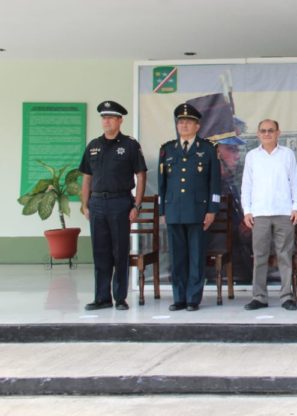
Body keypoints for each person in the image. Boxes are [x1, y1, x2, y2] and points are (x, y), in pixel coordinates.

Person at [79, 100, 147, 311]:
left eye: (110, 117)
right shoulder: (93, 145)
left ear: (120, 120)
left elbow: (141, 174)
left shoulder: (129, 145)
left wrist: (137, 204)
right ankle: (101, 297)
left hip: (120, 202)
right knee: (100, 252)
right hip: (97, 202)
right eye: (103, 117)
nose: (106, 121)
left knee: (120, 252)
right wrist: (85, 204)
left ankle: (119, 298)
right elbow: (87, 178)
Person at [158, 103, 221, 312]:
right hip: (174, 210)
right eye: (181, 122)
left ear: (197, 126)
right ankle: (179, 297)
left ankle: (193, 298)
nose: (184, 125)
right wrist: (162, 211)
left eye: (188, 122)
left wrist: (212, 209)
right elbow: (162, 184)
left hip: (198, 211)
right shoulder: (167, 149)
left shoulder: (207, 149)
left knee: (195, 257)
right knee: (177, 258)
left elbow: (214, 183)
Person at [241, 119, 297, 311]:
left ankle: (286, 297)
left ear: (278, 133)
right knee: (259, 256)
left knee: (285, 255)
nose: (267, 134)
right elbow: (247, 185)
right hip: (259, 214)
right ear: (258, 134)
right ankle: (259, 297)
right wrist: (247, 210)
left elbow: (295, 182)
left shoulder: (287, 155)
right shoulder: (252, 156)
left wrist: (296, 207)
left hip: (284, 213)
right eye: (263, 131)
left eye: (270, 130)